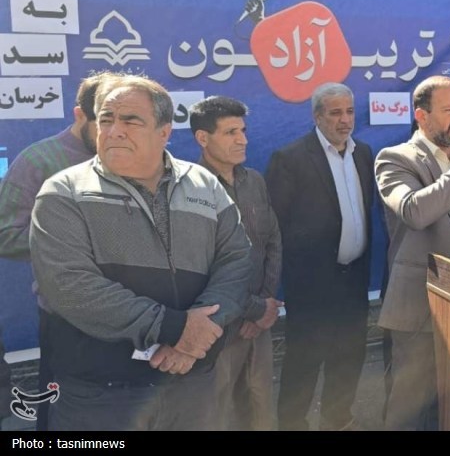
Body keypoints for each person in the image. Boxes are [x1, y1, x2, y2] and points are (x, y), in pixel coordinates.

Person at [29, 74, 252, 430]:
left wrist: (197, 333)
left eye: (130, 121)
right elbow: (69, 285)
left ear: (164, 132)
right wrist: (174, 328)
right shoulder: (63, 192)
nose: (114, 131)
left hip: (193, 385)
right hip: (101, 397)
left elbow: (236, 261)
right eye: (106, 120)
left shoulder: (204, 185)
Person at [375, 75, 450, 430]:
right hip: (423, 306)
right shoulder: (396, 159)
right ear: (421, 116)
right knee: (413, 411)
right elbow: (414, 211)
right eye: (448, 110)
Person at [266, 83, 373, 432]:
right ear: (317, 116)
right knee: (304, 363)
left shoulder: (363, 153)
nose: (345, 120)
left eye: (350, 112)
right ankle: (292, 425)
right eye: (335, 113)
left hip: (353, 280)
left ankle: (337, 420)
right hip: (311, 286)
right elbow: (274, 228)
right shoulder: (290, 159)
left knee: (349, 357)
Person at [0, 72, 102, 431]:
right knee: (63, 418)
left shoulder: (139, 158)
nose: (116, 133)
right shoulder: (39, 161)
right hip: (67, 317)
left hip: (136, 317)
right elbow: (6, 236)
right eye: (104, 122)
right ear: (80, 115)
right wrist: (73, 240)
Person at [190, 96, 282, 430]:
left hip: (259, 323)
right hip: (218, 328)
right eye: (231, 132)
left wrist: (265, 305)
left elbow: (272, 241)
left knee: (261, 406)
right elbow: (201, 268)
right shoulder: (188, 188)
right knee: (219, 412)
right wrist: (252, 309)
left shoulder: (254, 180)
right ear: (203, 138)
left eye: (243, 130)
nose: (242, 139)